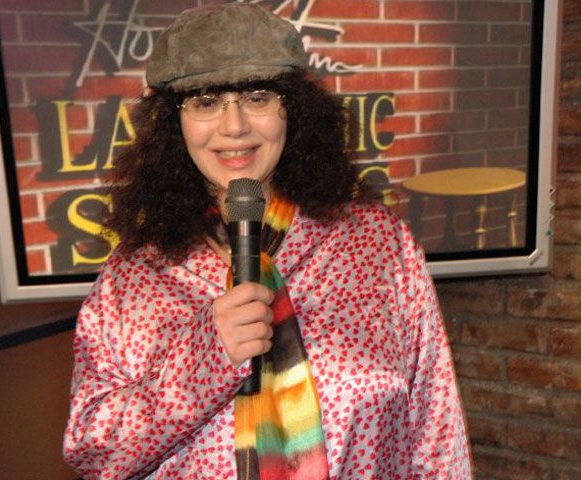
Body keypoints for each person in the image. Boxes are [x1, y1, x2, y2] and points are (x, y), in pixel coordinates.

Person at [63, 3, 472, 479]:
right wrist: (203, 361)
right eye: (206, 102)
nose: (235, 126)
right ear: (173, 123)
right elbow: (93, 452)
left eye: (258, 97)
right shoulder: (135, 277)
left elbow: (436, 441)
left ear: (294, 110)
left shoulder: (379, 245)